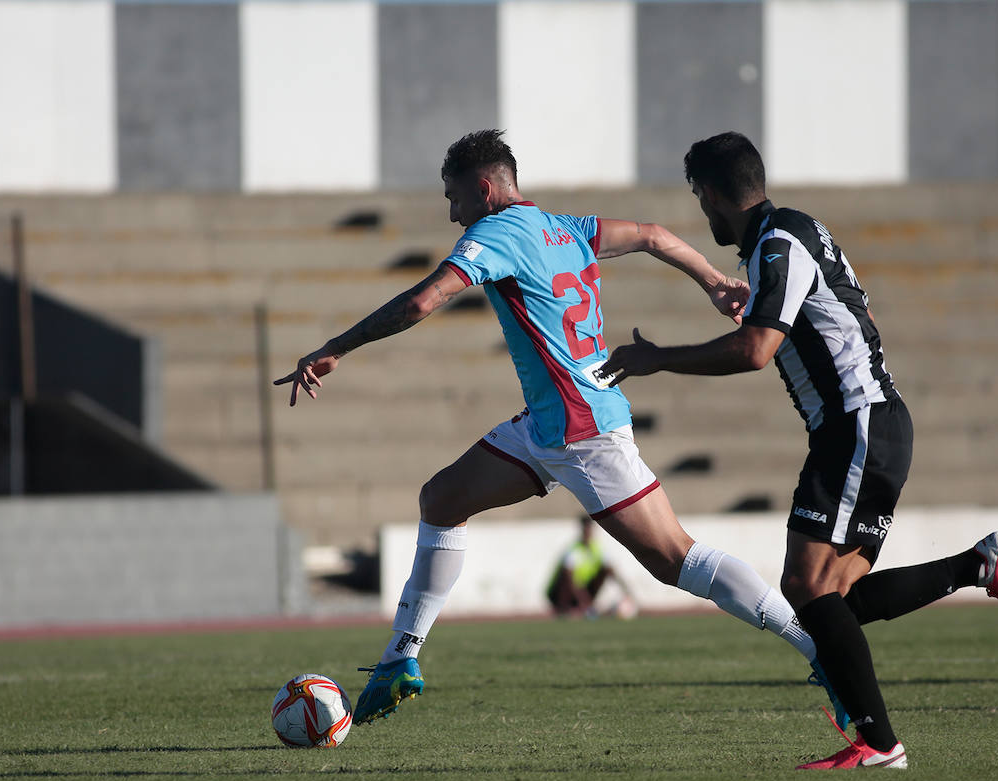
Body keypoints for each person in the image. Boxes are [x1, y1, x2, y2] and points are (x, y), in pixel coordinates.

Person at [276, 129, 830, 726]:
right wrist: (713, 281)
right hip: (548, 427)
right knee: (441, 499)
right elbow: (653, 236)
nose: (451, 211)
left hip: (583, 429)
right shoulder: (565, 227)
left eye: (454, 196)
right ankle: (400, 658)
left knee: (676, 560)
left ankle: (819, 647)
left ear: (484, 189)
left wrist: (337, 346)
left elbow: (419, 303)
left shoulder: (490, 234)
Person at [598, 132, 998, 770]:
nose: (703, 214)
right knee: (831, 601)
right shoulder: (786, 234)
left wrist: (656, 360)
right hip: (871, 425)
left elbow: (757, 351)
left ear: (717, 194)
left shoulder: (778, 243)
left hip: (856, 425)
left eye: (701, 199)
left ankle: (880, 743)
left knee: (805, 588)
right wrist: (748, 302)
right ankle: (980, 565)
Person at [546, 517, 637, 619]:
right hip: (560, 593)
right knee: (567, 575)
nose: (588, 533)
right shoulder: (574, 550)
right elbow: (571, 579)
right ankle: (565, 608)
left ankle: (587, 608)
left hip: (584, 590)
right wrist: (585, 603)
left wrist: (627, 592)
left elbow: (611, 571)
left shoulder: (597, 549)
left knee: (605, 570)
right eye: (586, 530)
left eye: (590, 530)